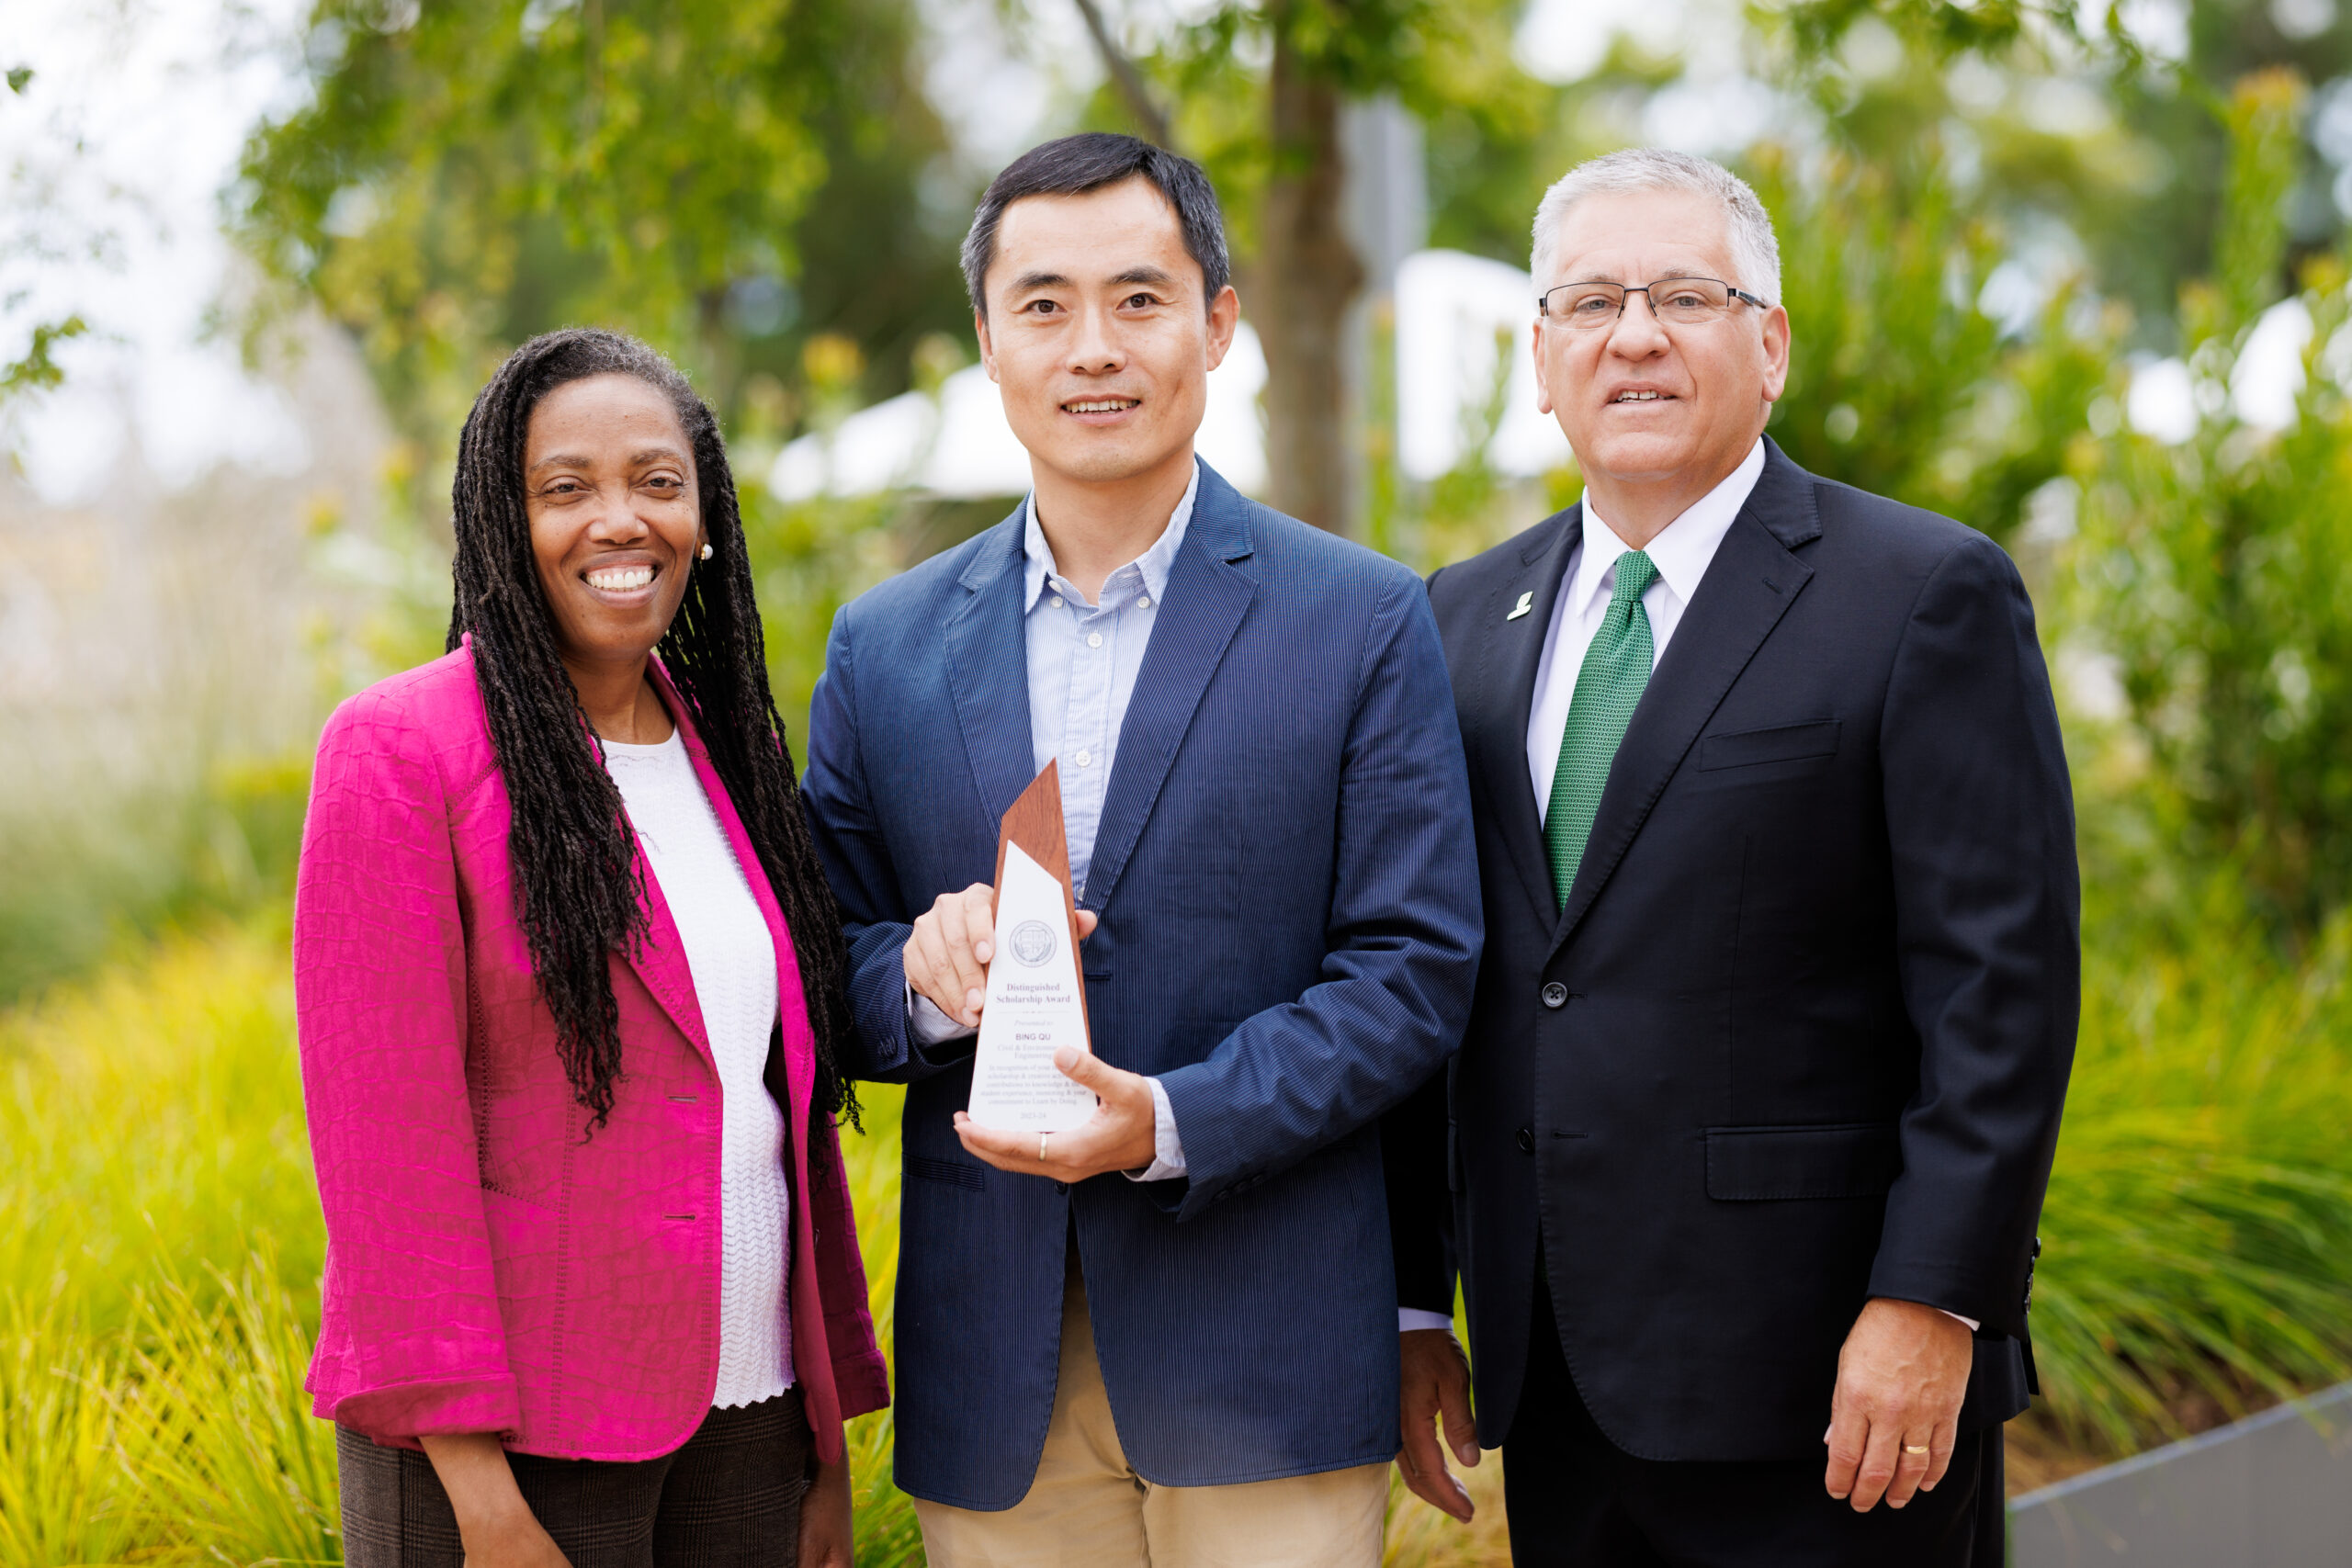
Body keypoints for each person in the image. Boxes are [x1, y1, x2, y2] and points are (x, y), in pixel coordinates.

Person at [1386, 148, 2078, 1565]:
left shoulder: (1921, 594)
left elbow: (1999, 994)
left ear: (1768, 346)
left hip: (1836, 1387)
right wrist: (1415, 1305)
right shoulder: (1458, 619)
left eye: (1683, 296)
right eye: (1588, 302)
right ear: (1539, 359)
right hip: (1559, 1374)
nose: (1632, 335)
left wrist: (1934, 1302)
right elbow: (1431, 981)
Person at [799, 132, 1482, 1568]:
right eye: (1043, 305)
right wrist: (921, 981)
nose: (1091, 348)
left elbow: (1414, 971)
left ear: (1219, 324)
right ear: (988, 341)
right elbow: (821, 962)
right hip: (997, 1368)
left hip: (1267, 1341)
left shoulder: (1359, 618)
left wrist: (1173, 1122)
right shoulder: (888, 646)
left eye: (1140, 298)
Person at [293, 328, 886, 1568]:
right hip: (517, 1443)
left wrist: (821, 1449)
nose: (621, 521)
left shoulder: (733, 754)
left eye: (657, 483)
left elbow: (768, 1102)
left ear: (706, 517)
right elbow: (386, 1153)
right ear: (505, 526)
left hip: (752, 1414)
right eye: (566, 489)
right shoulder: (403, 749)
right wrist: (480, 1499)